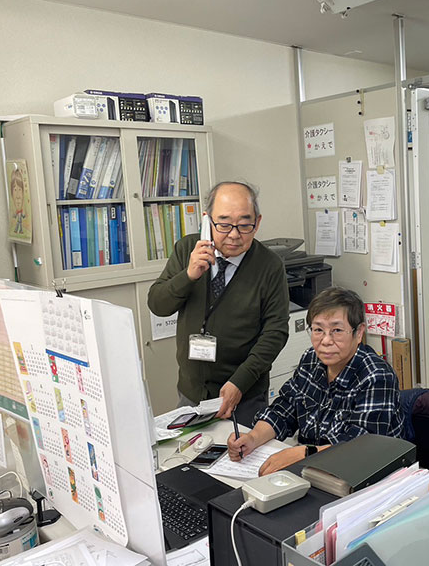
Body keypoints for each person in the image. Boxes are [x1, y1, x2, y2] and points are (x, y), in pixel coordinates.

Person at [147, 181, 289, 426]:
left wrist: (239, 382)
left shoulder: (269, 266)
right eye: (224, 224)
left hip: (244, 394)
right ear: (207, 220)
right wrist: (188, 275)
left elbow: (275, 333)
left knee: (240, 448)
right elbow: (158, 305)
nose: (234, 234)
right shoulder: (187, 250)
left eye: (244, 225)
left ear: (257, 222)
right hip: (191, 391)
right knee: (190, 449)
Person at [227, 286, 403, 475]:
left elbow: (361, 448)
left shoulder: (376, 376)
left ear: (358, 333)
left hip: (365, 476)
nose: (326, 341)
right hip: (314, 467)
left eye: (337, 330)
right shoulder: (311, 359)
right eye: (318, 330)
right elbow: (284, 410)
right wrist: (253, 438)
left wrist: (305, 454)